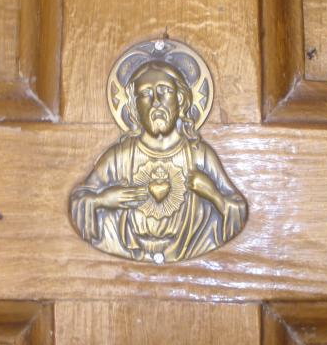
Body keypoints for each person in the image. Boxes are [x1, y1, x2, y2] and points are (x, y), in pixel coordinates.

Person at [70, 60, 247, 263]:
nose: (156, 102)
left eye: (165, 91)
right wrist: (101, 200)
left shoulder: (200, 155)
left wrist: (214, 195)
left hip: (195, 256)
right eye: (145, 94)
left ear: (180, 99)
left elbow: (237, 209)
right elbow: (80, 201)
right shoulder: (119, 157)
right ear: (135, 106)